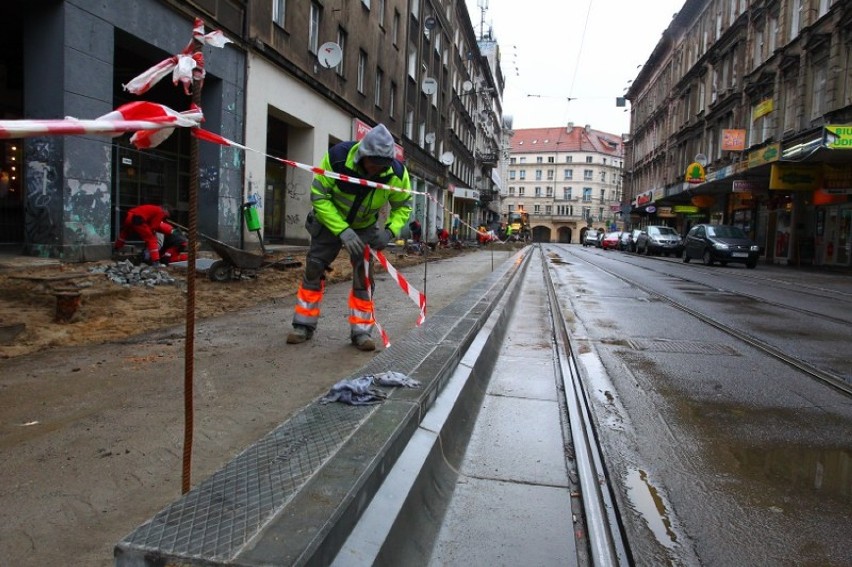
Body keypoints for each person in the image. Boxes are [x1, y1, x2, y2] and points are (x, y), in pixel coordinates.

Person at [286, 124, 412, 351]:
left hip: (365, 228)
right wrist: (342, 230)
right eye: (372, 164)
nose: (375, 170)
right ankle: (303, 325)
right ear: (363, 154)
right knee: (314, 267)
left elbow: (403, 207)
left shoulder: (396, 174)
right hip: (328, 223)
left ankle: (361, 331)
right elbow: (319, 196)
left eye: (381, 166)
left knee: (363, 277)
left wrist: (390, 231)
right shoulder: (337, 158)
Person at [114, 204, 187, 265]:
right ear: (166, 210)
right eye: (167, 215)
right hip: (138, 219)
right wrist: (151, 233)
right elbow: (154, 226)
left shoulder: (153, 209)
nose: (166, 217)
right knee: (151, 240)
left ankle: (116, 249)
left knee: (124, 233)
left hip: (128, 216)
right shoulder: (160, 212)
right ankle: (155, 261)